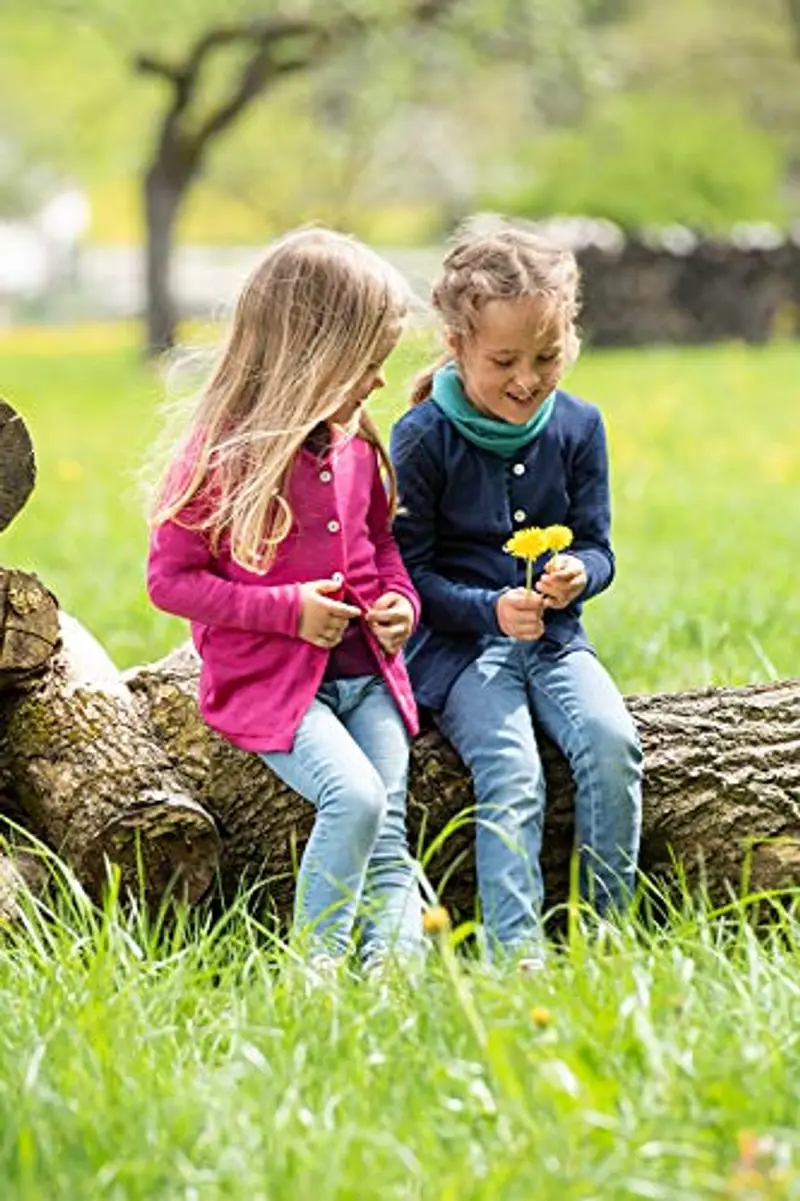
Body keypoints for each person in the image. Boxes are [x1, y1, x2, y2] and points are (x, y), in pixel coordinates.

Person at [147, 227, 424, 973]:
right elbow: (170, 582)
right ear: (314, 355)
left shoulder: (356, 444)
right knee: (356, 798)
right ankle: (318, 975)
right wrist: (289, 612)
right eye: (366, 364)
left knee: (391, 827)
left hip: (366, 673)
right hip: (273, 686)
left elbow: (381, 547)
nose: (377, 383)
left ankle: (397, 990)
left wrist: (401, 603)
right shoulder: (220, 456)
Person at [390, 223, 642, 963]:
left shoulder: (577, 426)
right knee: (512, 767)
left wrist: (578, 576)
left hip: (558, 641)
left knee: (612, 743)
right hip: (463, 654)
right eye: (504, 360)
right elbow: (410, 576)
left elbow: (598, 545)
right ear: (458, 344)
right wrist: (488, 609)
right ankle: (516, 954)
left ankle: (603, 932)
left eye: (547, 356)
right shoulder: (422, 436)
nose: (527, 379)